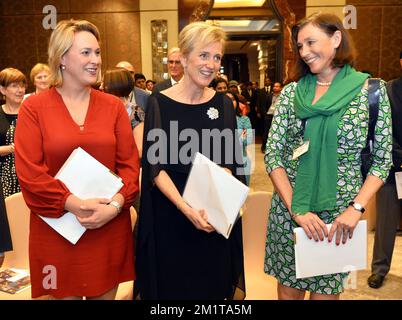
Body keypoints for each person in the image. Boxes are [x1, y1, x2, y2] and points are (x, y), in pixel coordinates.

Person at [264, 12, 392, 300]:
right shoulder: (291, 94)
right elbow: (273, 155)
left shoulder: (370, 92)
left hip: (339, 218)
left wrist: (355, 209)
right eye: (300, 46)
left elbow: (382, 159)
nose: (304, 52)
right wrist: (296, 210)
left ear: (336, 38)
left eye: (311, 42)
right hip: (290, 211)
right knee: (288, 294)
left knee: (326, 297)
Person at [14, 19, 140, 300]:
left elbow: (131, 168)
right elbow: (30, 174)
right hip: (57, 230)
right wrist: (75, 203)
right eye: (86, 52)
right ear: (61, 58)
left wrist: (116, 206)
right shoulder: (34, 108)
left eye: (97, 52)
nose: (95, 60)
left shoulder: (113, 108)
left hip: (108, 228)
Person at [135, 21, 245, 300]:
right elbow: (155, 168)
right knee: (173, 290)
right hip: (171, 215)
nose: (211, 64)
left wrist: (215, 196)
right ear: (183, 58)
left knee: (211, 289)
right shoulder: (159, 102)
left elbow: (231, 161)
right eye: (203, 55)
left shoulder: (223, 104)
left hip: (210, 217)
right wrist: (186, 208)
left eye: (217, 57)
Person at [368, 51, 402, 289]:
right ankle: (380, 269)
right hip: (391, 166)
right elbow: (379, 130)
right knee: (385, 222)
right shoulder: (388, 91)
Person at [103, 67, 145, 158]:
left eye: (104, 83)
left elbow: (139, 149)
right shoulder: (103, 108)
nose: (101, 86)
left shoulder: (135, 112)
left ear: (114, 85)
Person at [0, 68, 26, 198]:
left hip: (28, 176)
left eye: (22, 85)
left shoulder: (31, 112)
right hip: (3, 179)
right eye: (15, 86)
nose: (20, 90)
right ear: (3, 90)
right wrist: (12, 148)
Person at [261, 82, 282, 153]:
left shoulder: (282, 96)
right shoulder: (269, 96)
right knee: (266, 132)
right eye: (274, 86)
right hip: (269, 116)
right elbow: (264, 105)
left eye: (277, 86)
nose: (275, 87)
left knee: (276, 132)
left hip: (278, 116)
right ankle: (263, 147)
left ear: (281, 88)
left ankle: (273, 148)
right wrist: (265, 114)